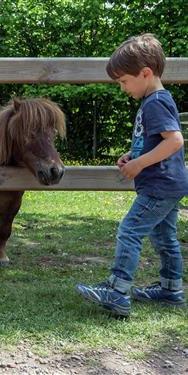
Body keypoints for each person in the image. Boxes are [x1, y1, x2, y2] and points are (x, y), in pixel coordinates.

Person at [76, 33, 188, 317]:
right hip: (169, 184)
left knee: (130, 231)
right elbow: (154, 140)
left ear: (145, 73)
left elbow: (174, 141)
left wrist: (139, 166)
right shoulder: (156, 100)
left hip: (159, 185)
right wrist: (133, 156)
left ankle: (117, 291)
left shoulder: (155, 102)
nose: (122, 88)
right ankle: (171, 289)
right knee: (164, 237)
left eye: (124, 81)